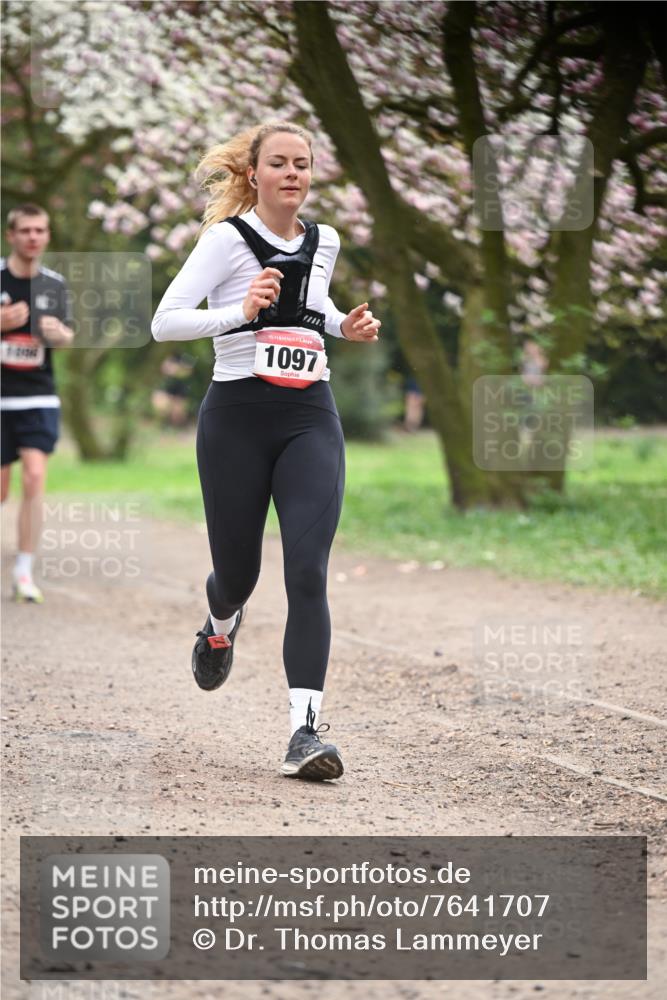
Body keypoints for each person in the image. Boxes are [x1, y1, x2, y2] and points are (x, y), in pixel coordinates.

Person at [151, 120, 381, 781]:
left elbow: (311, 307)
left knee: (307, 570)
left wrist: (344, 325)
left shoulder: (324, 239)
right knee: (239, 574)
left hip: (310, 415)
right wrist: (239, 310)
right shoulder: (226, 241)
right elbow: (165, 321)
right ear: (253, 173)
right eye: (278, 163)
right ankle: (220, 620)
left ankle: (304, 732)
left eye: (302, 164)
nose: (291, 174)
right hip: (237, 420)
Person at [1, 204, 74, 603]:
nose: (33, 237)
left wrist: (56, 333)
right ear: (11, 235)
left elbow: (68, 336)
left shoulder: (54, 285)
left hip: (38, 396)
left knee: (34, 476)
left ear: (46, 236)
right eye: (25, 230)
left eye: (40, 230)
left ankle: (24, 571)